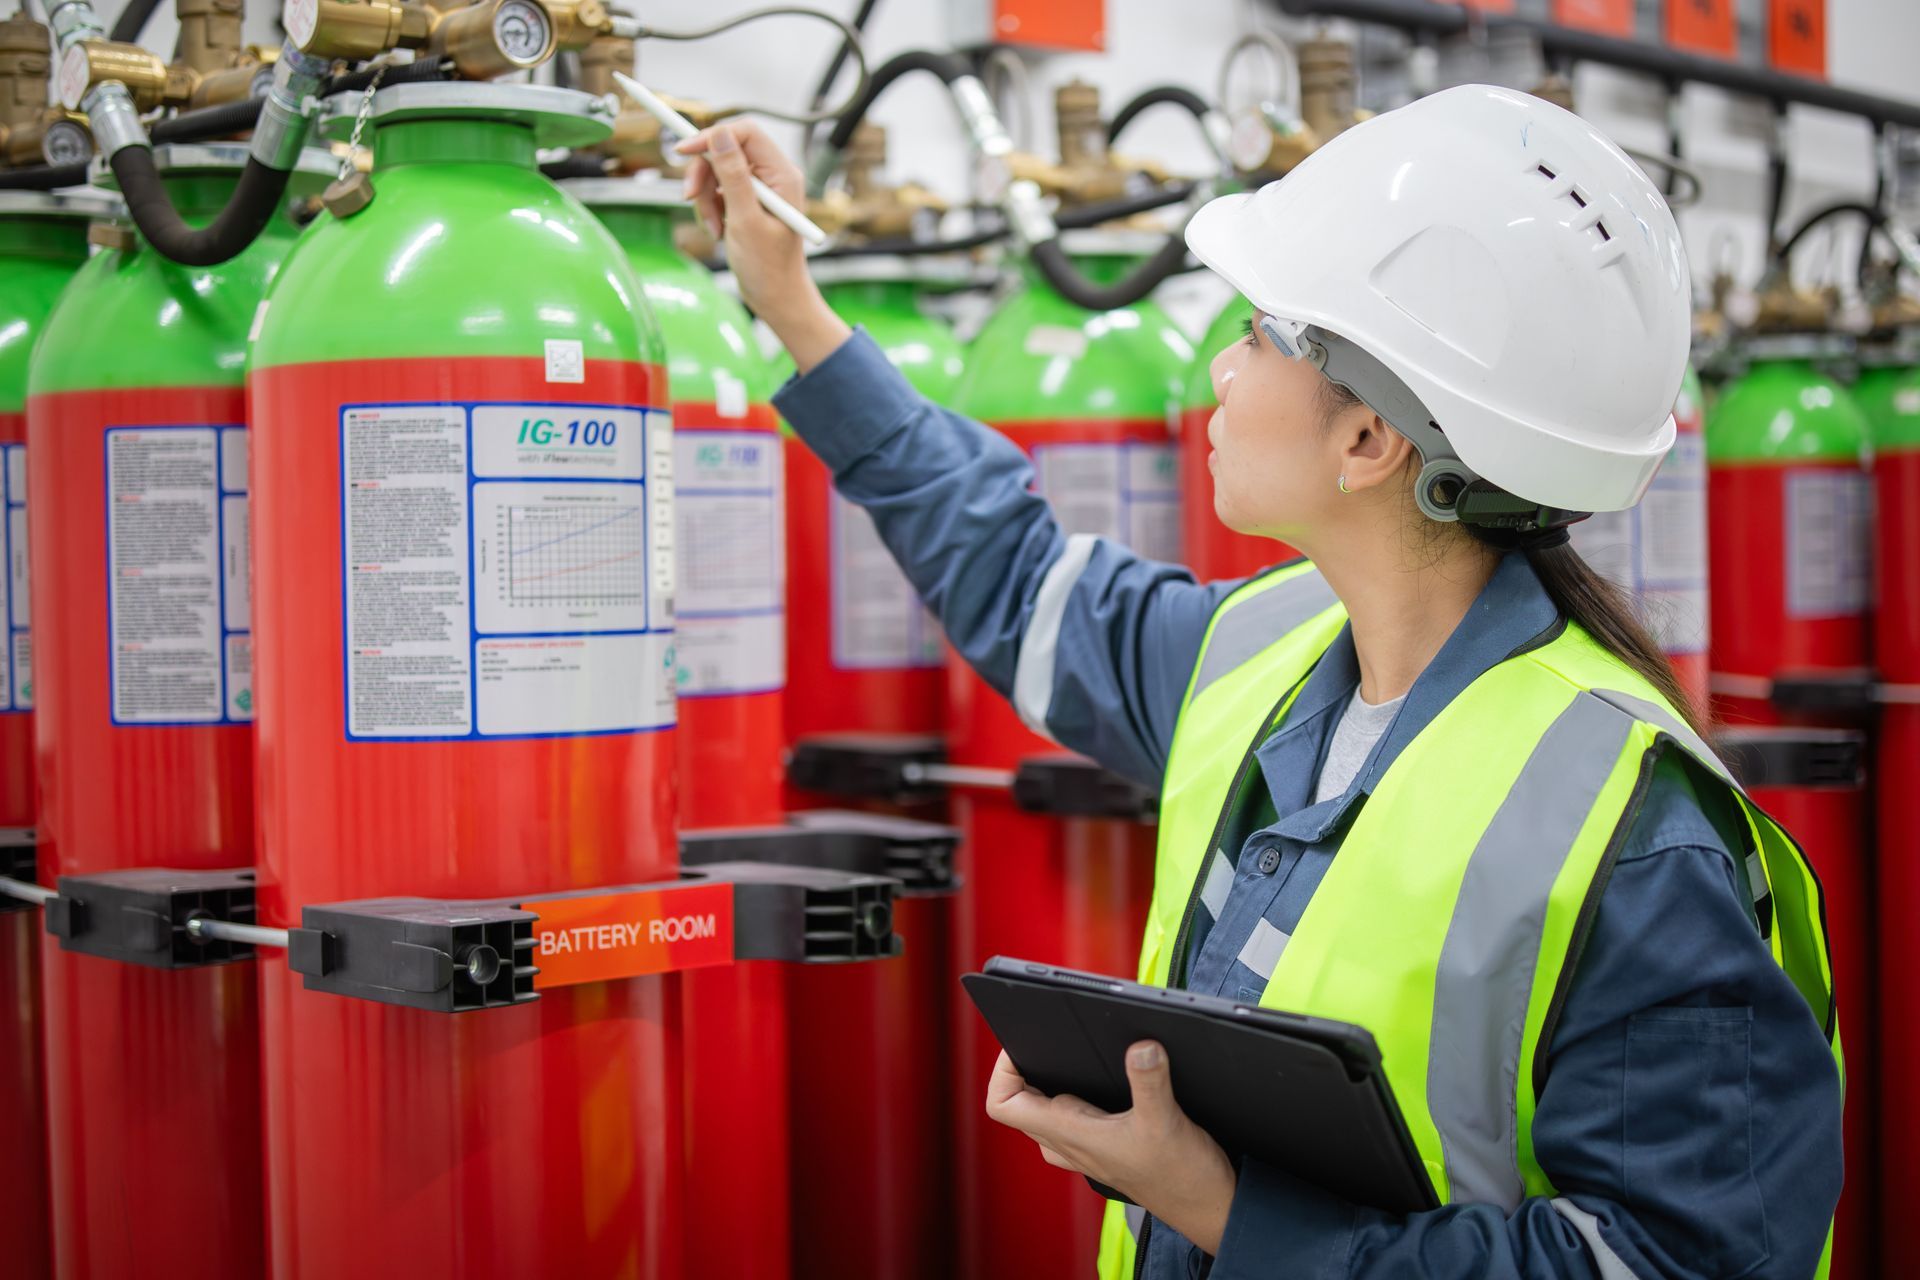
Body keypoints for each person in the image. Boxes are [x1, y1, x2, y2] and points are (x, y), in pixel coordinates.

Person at [677, 84, 1843, 1280]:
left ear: (1369, 441)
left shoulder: (1637, 833)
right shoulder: (1261, 654)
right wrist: (792, 307)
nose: (1224, 373)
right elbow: (1016, 575)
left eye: (1259, 332)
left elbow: (1679, 1260)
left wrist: (1230, 1211)